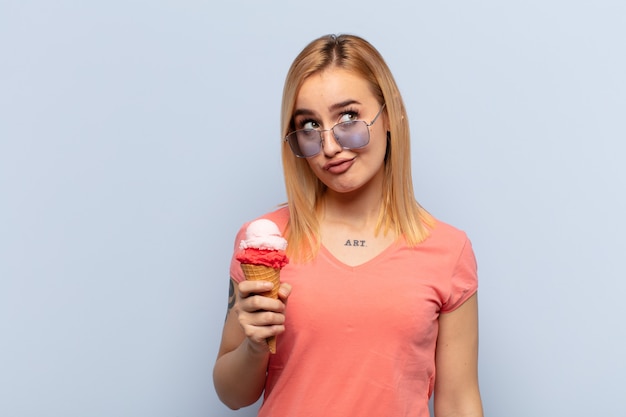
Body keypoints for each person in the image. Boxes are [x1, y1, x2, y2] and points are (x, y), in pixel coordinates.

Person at [213, 33, 483, 417]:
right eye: (309, 125)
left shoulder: (448, 251)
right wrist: (255, 346)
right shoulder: (264, 243)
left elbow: (459, 401)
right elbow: (231, 394)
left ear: (389, 116)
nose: (329, 146)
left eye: (349, 117)